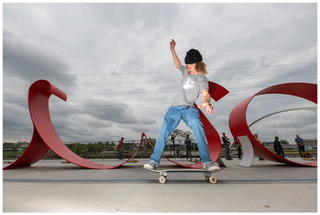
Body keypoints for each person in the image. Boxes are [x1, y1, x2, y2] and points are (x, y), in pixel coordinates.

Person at [144, 39, 219, 171]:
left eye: (191, 65)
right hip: (175, 107)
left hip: (189, 108)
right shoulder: (185, 70)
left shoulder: (202, 78)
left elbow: (205, 93)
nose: (188, 68)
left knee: (198, 127)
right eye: (187, 65)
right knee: (164, 130)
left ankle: (207, 162)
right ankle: (153, 161)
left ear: (198, 64)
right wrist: (172, 50)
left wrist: (207, 102)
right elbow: (177, 64)